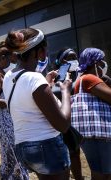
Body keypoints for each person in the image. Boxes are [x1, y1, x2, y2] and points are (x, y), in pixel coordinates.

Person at [2, 28, 72, 180]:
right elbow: (63, 125)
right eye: (45, 49)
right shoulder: (35, 79)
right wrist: (66, 91)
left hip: (24, 147)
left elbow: (27, 100)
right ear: (39, 52)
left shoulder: (9, 76)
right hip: (46, 147)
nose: (46, 53)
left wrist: (46, 83)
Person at [0, 42, 29, 180]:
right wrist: (17, 103)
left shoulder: (4, 74)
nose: (15, 60)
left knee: (9, 161)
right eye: (13, 58)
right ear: (4, 58)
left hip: (10, 123)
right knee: (16, 159)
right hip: (4, 125)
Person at [72, 48, 111, 180]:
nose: (104, 64)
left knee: (99, 172)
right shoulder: (90, 78)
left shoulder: (82, 79)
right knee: (105, 174)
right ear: (94, 63)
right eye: (101, 61)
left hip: (91, 136)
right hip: (99, 136)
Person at [53, 48, 83, 180]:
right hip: (65, 119)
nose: (75, 60)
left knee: (76, 152)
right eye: (71, 58)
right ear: (63, 61)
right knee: (71, 152)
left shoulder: (80, 73)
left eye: (75, 57)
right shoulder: (58, 77)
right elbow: (56, 95)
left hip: (80, 119)